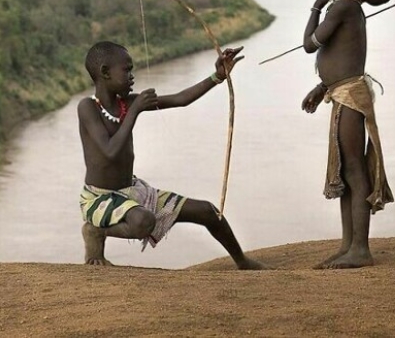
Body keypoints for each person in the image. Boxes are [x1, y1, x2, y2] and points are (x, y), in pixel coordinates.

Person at [77, 40, 265, 270]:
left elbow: (180, 99)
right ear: (105, 72)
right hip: (101, 198)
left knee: (208, 211)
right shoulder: (87, 107)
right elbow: (109, 151)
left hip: (133, 191)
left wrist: (218, 76)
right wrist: (135, 111)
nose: (132, 76)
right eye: (126, 70)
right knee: (144, 221)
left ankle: (242, 261)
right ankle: (95, 230)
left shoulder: (127, 103)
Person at [300, 0, 395, 269]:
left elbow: (310, 45)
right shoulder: (347, 5)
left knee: (355, 172)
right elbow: (343, 55)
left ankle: (360, 249)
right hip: (343, 92)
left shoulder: (343, 7)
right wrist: (322, 85)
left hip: (350, 98)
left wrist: (316, 7)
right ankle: (348, 245)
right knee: (347, 172)